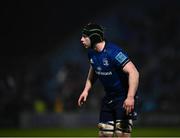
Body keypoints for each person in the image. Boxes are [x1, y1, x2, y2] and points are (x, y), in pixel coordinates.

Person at [78, 23, 139, 138]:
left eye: (85, 36)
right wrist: (86, 90)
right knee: (104, 134)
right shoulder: (91, 53)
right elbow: (94, 68)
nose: (81, 39)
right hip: (109, 98)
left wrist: (130, 97)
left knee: (122, 134)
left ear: (94, 37)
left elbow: (134, 72)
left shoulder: (114, 52)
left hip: (123, 98)